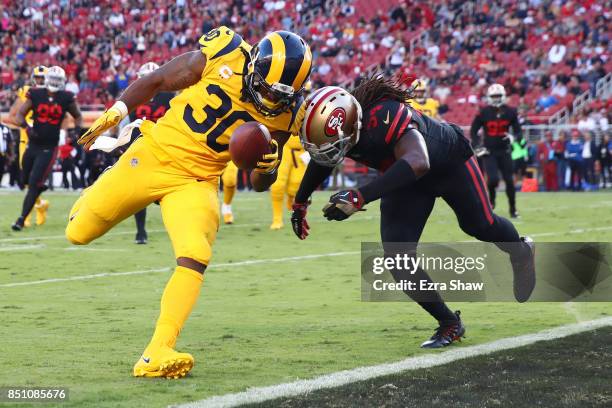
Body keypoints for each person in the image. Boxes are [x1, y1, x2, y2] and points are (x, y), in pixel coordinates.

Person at [67, 27, 312, 378]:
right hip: (154, 154)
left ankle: (158, 350)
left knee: (196, 254)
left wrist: (268, 166)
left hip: (197, 181)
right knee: (78, 233)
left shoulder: (288, 113)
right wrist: (119, 109)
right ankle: (103, 184)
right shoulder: (225, 53)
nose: (269, 99)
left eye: (278, 94)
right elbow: (157, 80)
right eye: (264, 87)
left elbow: (260, 184)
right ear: (253, 63)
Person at [291, 78, 535, 349]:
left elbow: (419, 161)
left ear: (351, 125)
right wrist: (300, 202)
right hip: (405, 177)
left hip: (447, 164)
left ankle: (521, 251)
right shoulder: (346, 127)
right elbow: (325, 159)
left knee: (480, 225)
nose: (331, 151)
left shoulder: (385, 115)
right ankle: (449, 323)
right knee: (398, 258)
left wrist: (359, 197)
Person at [11, 66, 83, 230]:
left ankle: (21, 220)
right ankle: (40, 188)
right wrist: (28, 128)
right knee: (24, 181)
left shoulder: (66, 97)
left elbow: (78, 116)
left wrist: (76, 132)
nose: (56, 83)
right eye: (54, 79)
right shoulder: (35, 94)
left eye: (59, 80)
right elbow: (19, 114)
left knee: (33, 184)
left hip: (49, 148)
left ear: (63, 82)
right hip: (33, 144)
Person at [125, 62, 174, 244]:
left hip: (163, 147)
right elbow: (127, 123)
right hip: (140, 146)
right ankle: (141, 231)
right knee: (138, 191)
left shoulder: (168, 97)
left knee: (167, 190)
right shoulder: (134, 95)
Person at [470, 84, 523, 218]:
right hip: (489, 151)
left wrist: (514, 137)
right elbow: (473, 131)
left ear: (503, 96)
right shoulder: (484, 112)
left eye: (498, 96)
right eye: (494, 96)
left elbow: (518, 131)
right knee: (492, 179)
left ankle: (513, 208)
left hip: (505, 150)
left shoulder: (510, 111)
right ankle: (492, 201)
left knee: (509, 181)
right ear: (489, 97)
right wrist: (477, 146)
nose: (496, 98)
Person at [7, 65, 49, 226]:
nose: (39, 81)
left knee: (33, 179)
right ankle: (40, 205)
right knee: (26, 180)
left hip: (42, 143)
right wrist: (27, 124)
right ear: (33, 78)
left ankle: (27, 217)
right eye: (37, 78)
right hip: (26, 140)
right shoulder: (26, 92)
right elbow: (13, 115)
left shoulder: (52, 96)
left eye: (42, 78)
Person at [270, 134, 308, 229]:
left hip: (302, 151)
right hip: (284, 148)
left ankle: (291, 199)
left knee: (296, 186)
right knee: (278, 185)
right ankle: (277, 219)